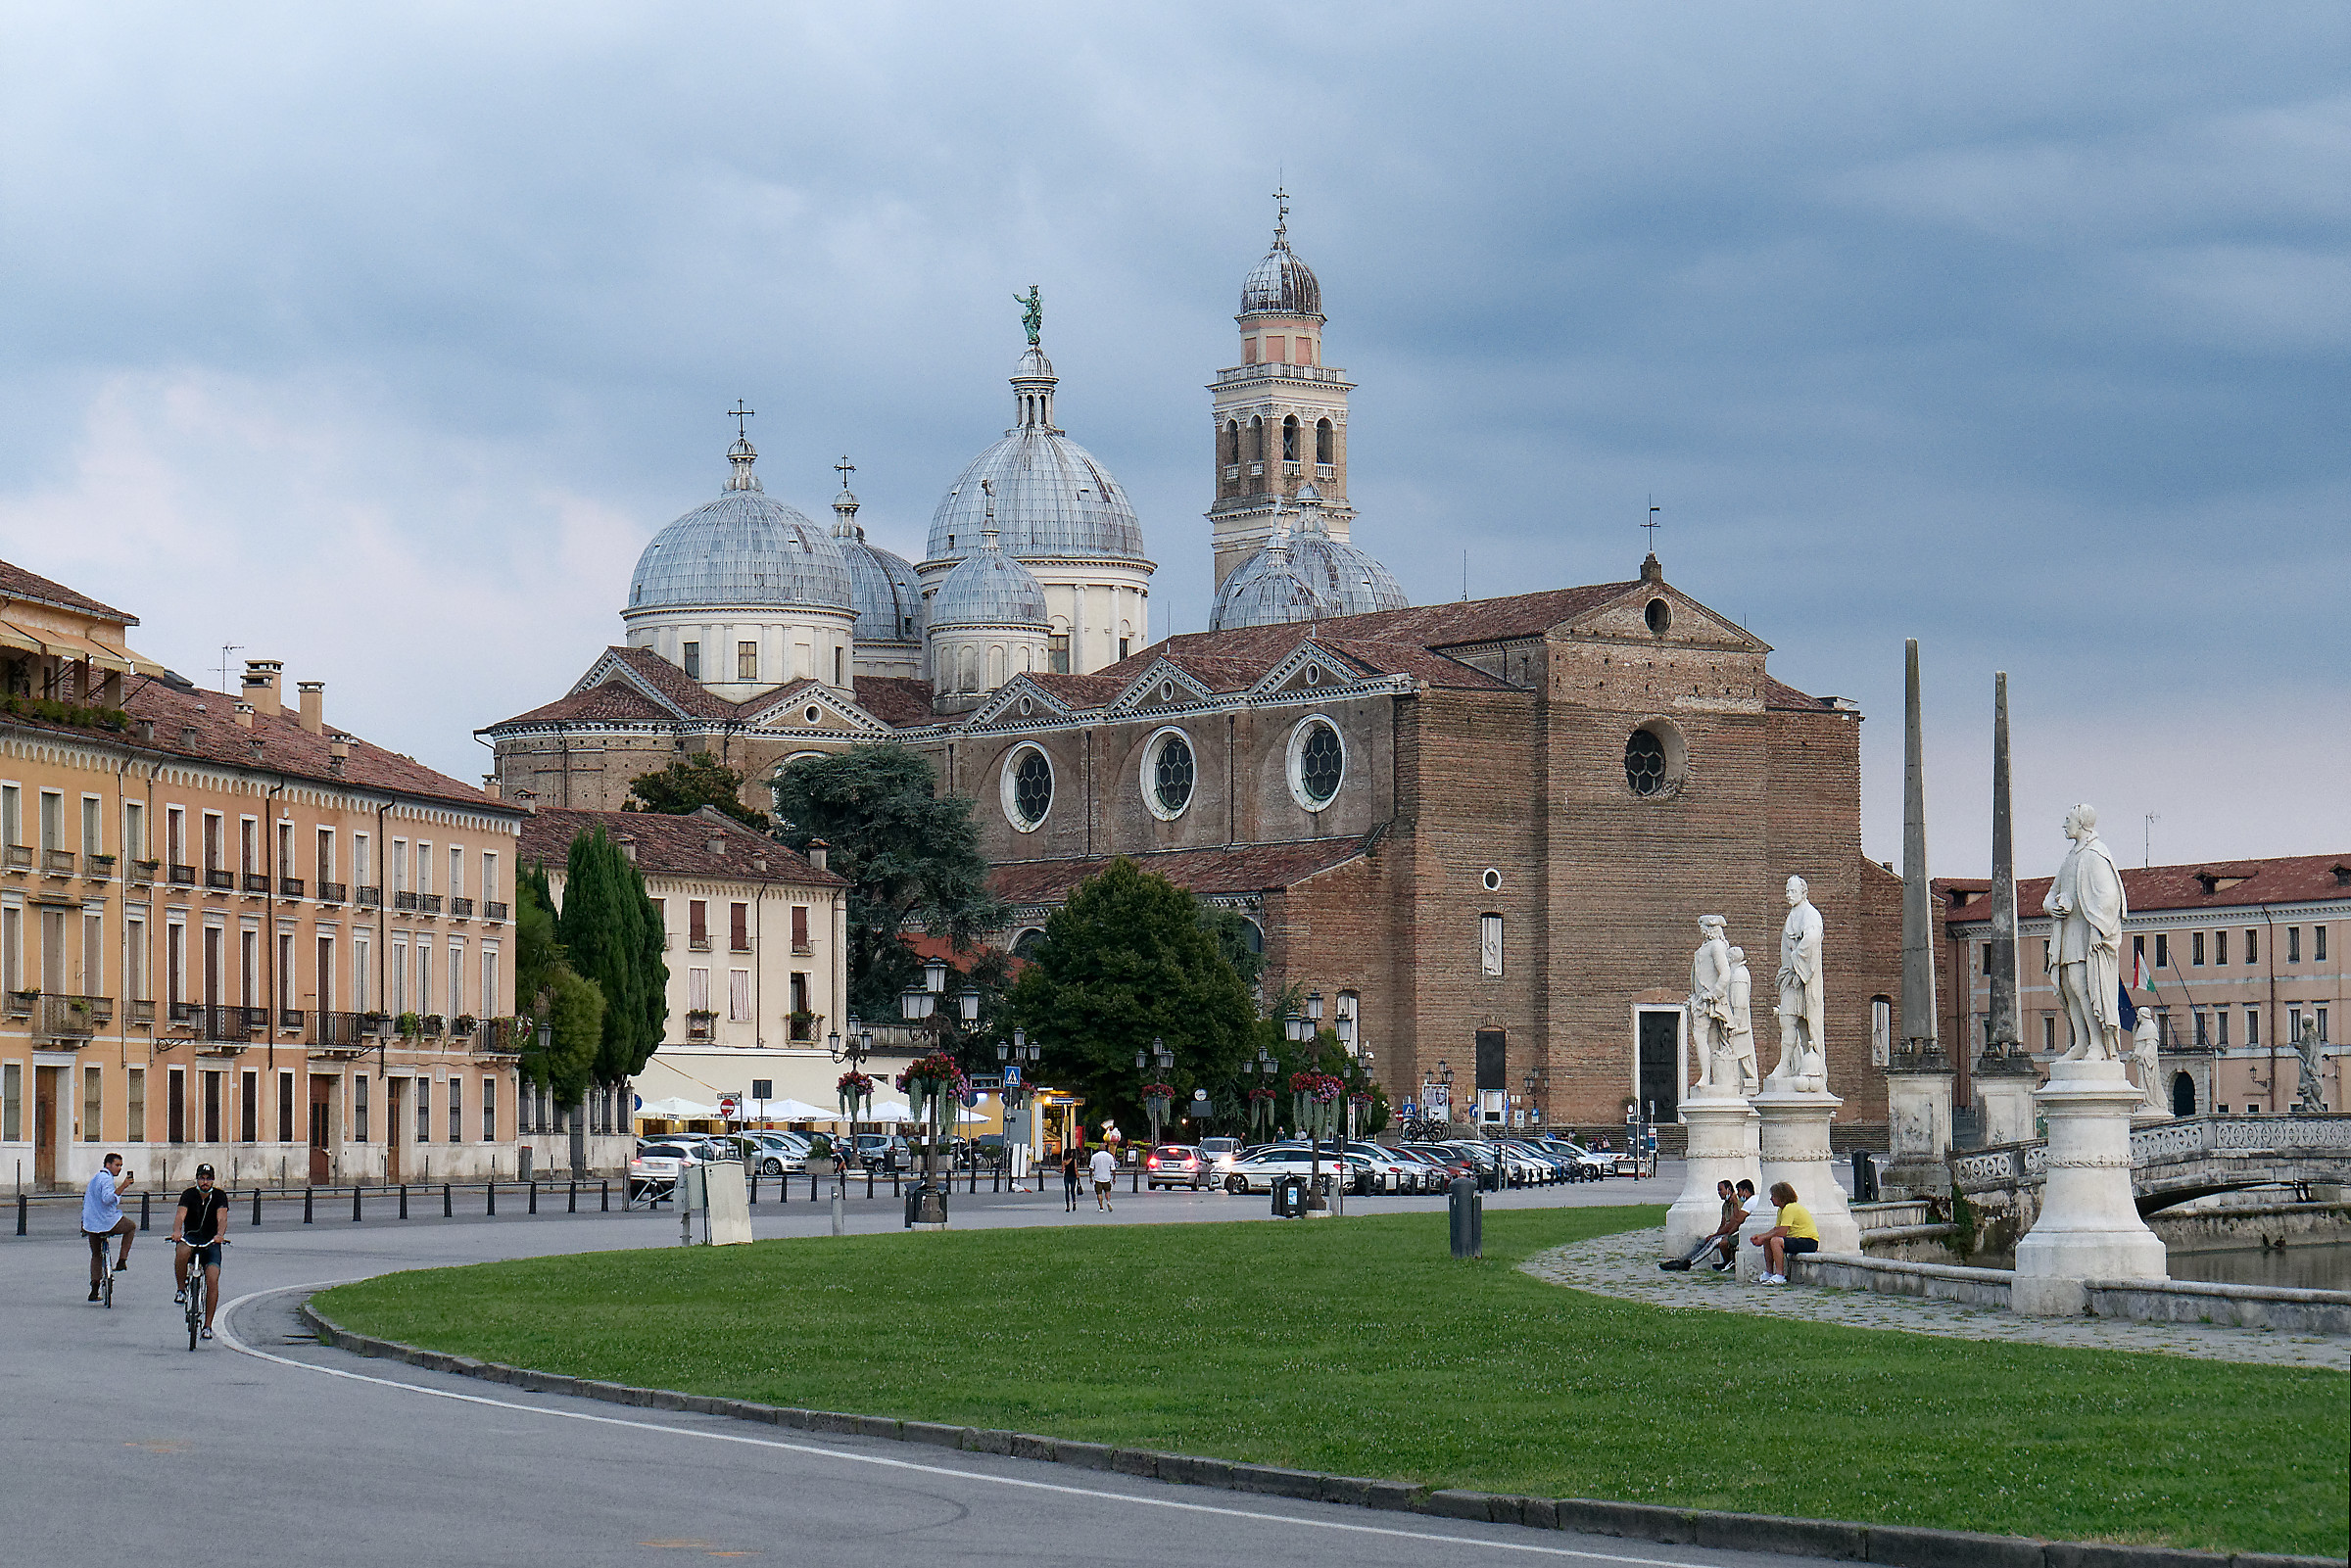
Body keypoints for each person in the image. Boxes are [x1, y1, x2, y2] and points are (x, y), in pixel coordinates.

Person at [171, 1163, 231, 1339]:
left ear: (212, 1180)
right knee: (181, 1251)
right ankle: (181, 1289)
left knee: (212, 1279)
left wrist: (220, 1234)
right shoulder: (188, 1194)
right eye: (202, 1178)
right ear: (197, 1179)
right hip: (191, 1237)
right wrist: (177, 1231)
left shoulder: (219, 1196)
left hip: (210, 1241)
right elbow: (180, 1215)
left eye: (208, 1179)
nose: (205, 1182)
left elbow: (222, 1217)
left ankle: (207, 1325)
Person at [81, 1153, 136, 1302]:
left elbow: (87, 1202)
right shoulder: (106, 1179)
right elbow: (107, 1199)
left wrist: (83, 1223)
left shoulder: (94, 1179)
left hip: (91, 1223)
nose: (119, 1168)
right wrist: (123, 1186)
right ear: (108, 1165)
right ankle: (122, 1260)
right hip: (107, 1221)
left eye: (121, 1166)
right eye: (117, 1165)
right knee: (131, 1227)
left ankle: (94, 1289)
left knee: (96, 1255)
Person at [1659, 1179, 1743, 1271]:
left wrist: (1715, 1235)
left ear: (1728, 1189)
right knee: (1702, 1242)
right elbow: (1723, 1224)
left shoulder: (1736, 1203)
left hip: (1733, 1233)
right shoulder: (1725, 1206)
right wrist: (1716, 1233)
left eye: (1720, 1190)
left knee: (1713, 1241)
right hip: (1725, 1233)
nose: (1719, 1193)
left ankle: (1689, 1263)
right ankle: (1680, 1261)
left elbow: (1732, 1224)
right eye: (1718, 1190)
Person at [1748, 1180, 1818, 1284]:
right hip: (1798, 1239)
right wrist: (1762, 1237)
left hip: (1808, 1241)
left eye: (1773, 1196)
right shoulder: (1782, 1210)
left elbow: (1782, 1232)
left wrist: (1763, 1237)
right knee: (1768, 1240)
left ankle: (1780, 1275)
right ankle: (1769, 1272)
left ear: (1781, 1197)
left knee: (1776, 1241)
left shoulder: (1790, 1208)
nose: (1771, 1198)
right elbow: (1776, 1229)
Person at [1088, 1143, 1117, 1212]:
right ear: (1105, 1148)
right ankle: (1108, 1201)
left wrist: (1090, 1177)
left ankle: (1101, 1207)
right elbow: (1113, 1169)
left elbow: (1091, 1168)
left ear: (1099, 1148)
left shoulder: (1094, 1156)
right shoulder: (1110, 1156)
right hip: (1107, 1177)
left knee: (1099, 1193)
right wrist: (1114, 1178)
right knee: (1107, 1191)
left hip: (1098, 1178)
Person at [1060, 1146, 1081, 1212]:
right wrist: (1078, 1176)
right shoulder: (1073, 1160)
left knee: (1067, 1191)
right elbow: (1075, 1169)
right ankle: (1074, 1203)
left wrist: (1060, 1171)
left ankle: (1067, 1206)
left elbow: (1063, 1170)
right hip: (1073, 1176)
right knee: (1072, 1190)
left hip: (1067, 1176)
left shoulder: (1064, 1161)